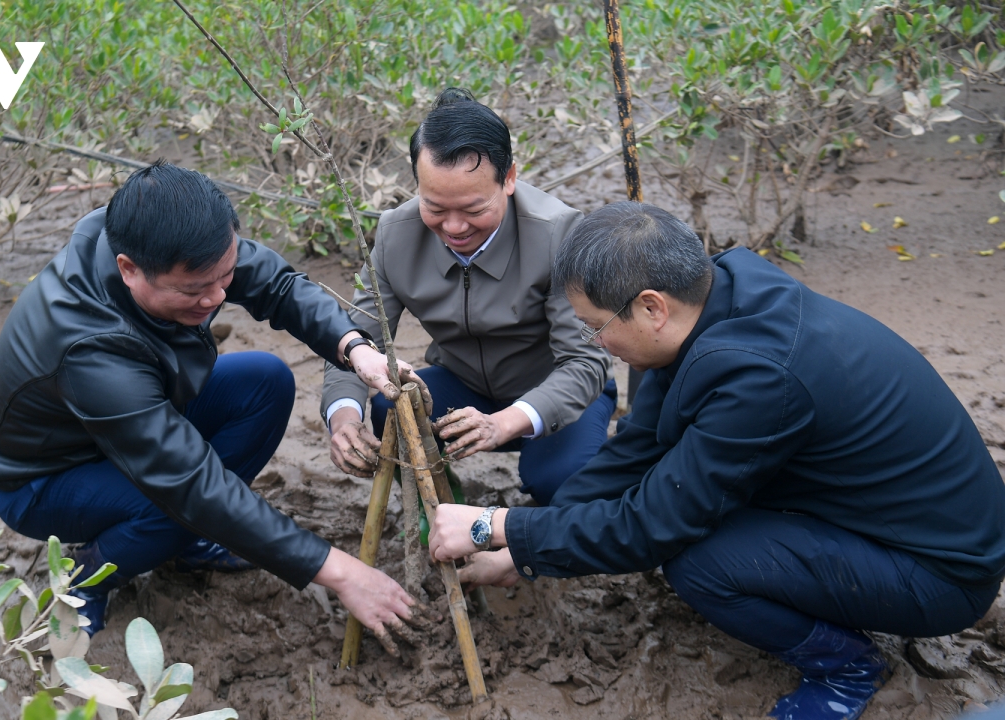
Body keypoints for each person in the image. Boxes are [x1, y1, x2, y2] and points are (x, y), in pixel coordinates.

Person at [428, 202, 1005, 720]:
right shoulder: (716, 298)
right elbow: (636, 449)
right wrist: (527, 551)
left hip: (940, 572)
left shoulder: (760, 375)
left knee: (700, 559)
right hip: (872, 518)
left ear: (652, 307)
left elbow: (652, 525)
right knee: (686, 501)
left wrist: (492, 524)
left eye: (596, 327)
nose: (596, 343)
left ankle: (846, 666)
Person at [0, 160, 430, 645]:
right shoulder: (87, 348)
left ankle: (182, 543)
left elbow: (278, 286)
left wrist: (355, 350)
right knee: (174, 505)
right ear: (128, 269)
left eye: (226, 276)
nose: (218, 296)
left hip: (133, 423)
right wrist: (341, 572)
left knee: (265, 381)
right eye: (195, 290)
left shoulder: (166, 238)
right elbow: (192, 485)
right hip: (44, 478)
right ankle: (86, 574)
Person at [321, 88, 614, 506]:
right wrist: (344, 418)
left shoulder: (557, 233)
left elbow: (585, 363)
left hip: (555, 390)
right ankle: (438, 507)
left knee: (562, 480)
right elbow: (353, 339)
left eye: (474, 210)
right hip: (462, 387)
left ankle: (532, 536)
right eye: (435, 207)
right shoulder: (394, 234)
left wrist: (502, 424)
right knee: (394, 415)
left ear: (509, 179)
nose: (454, 227)